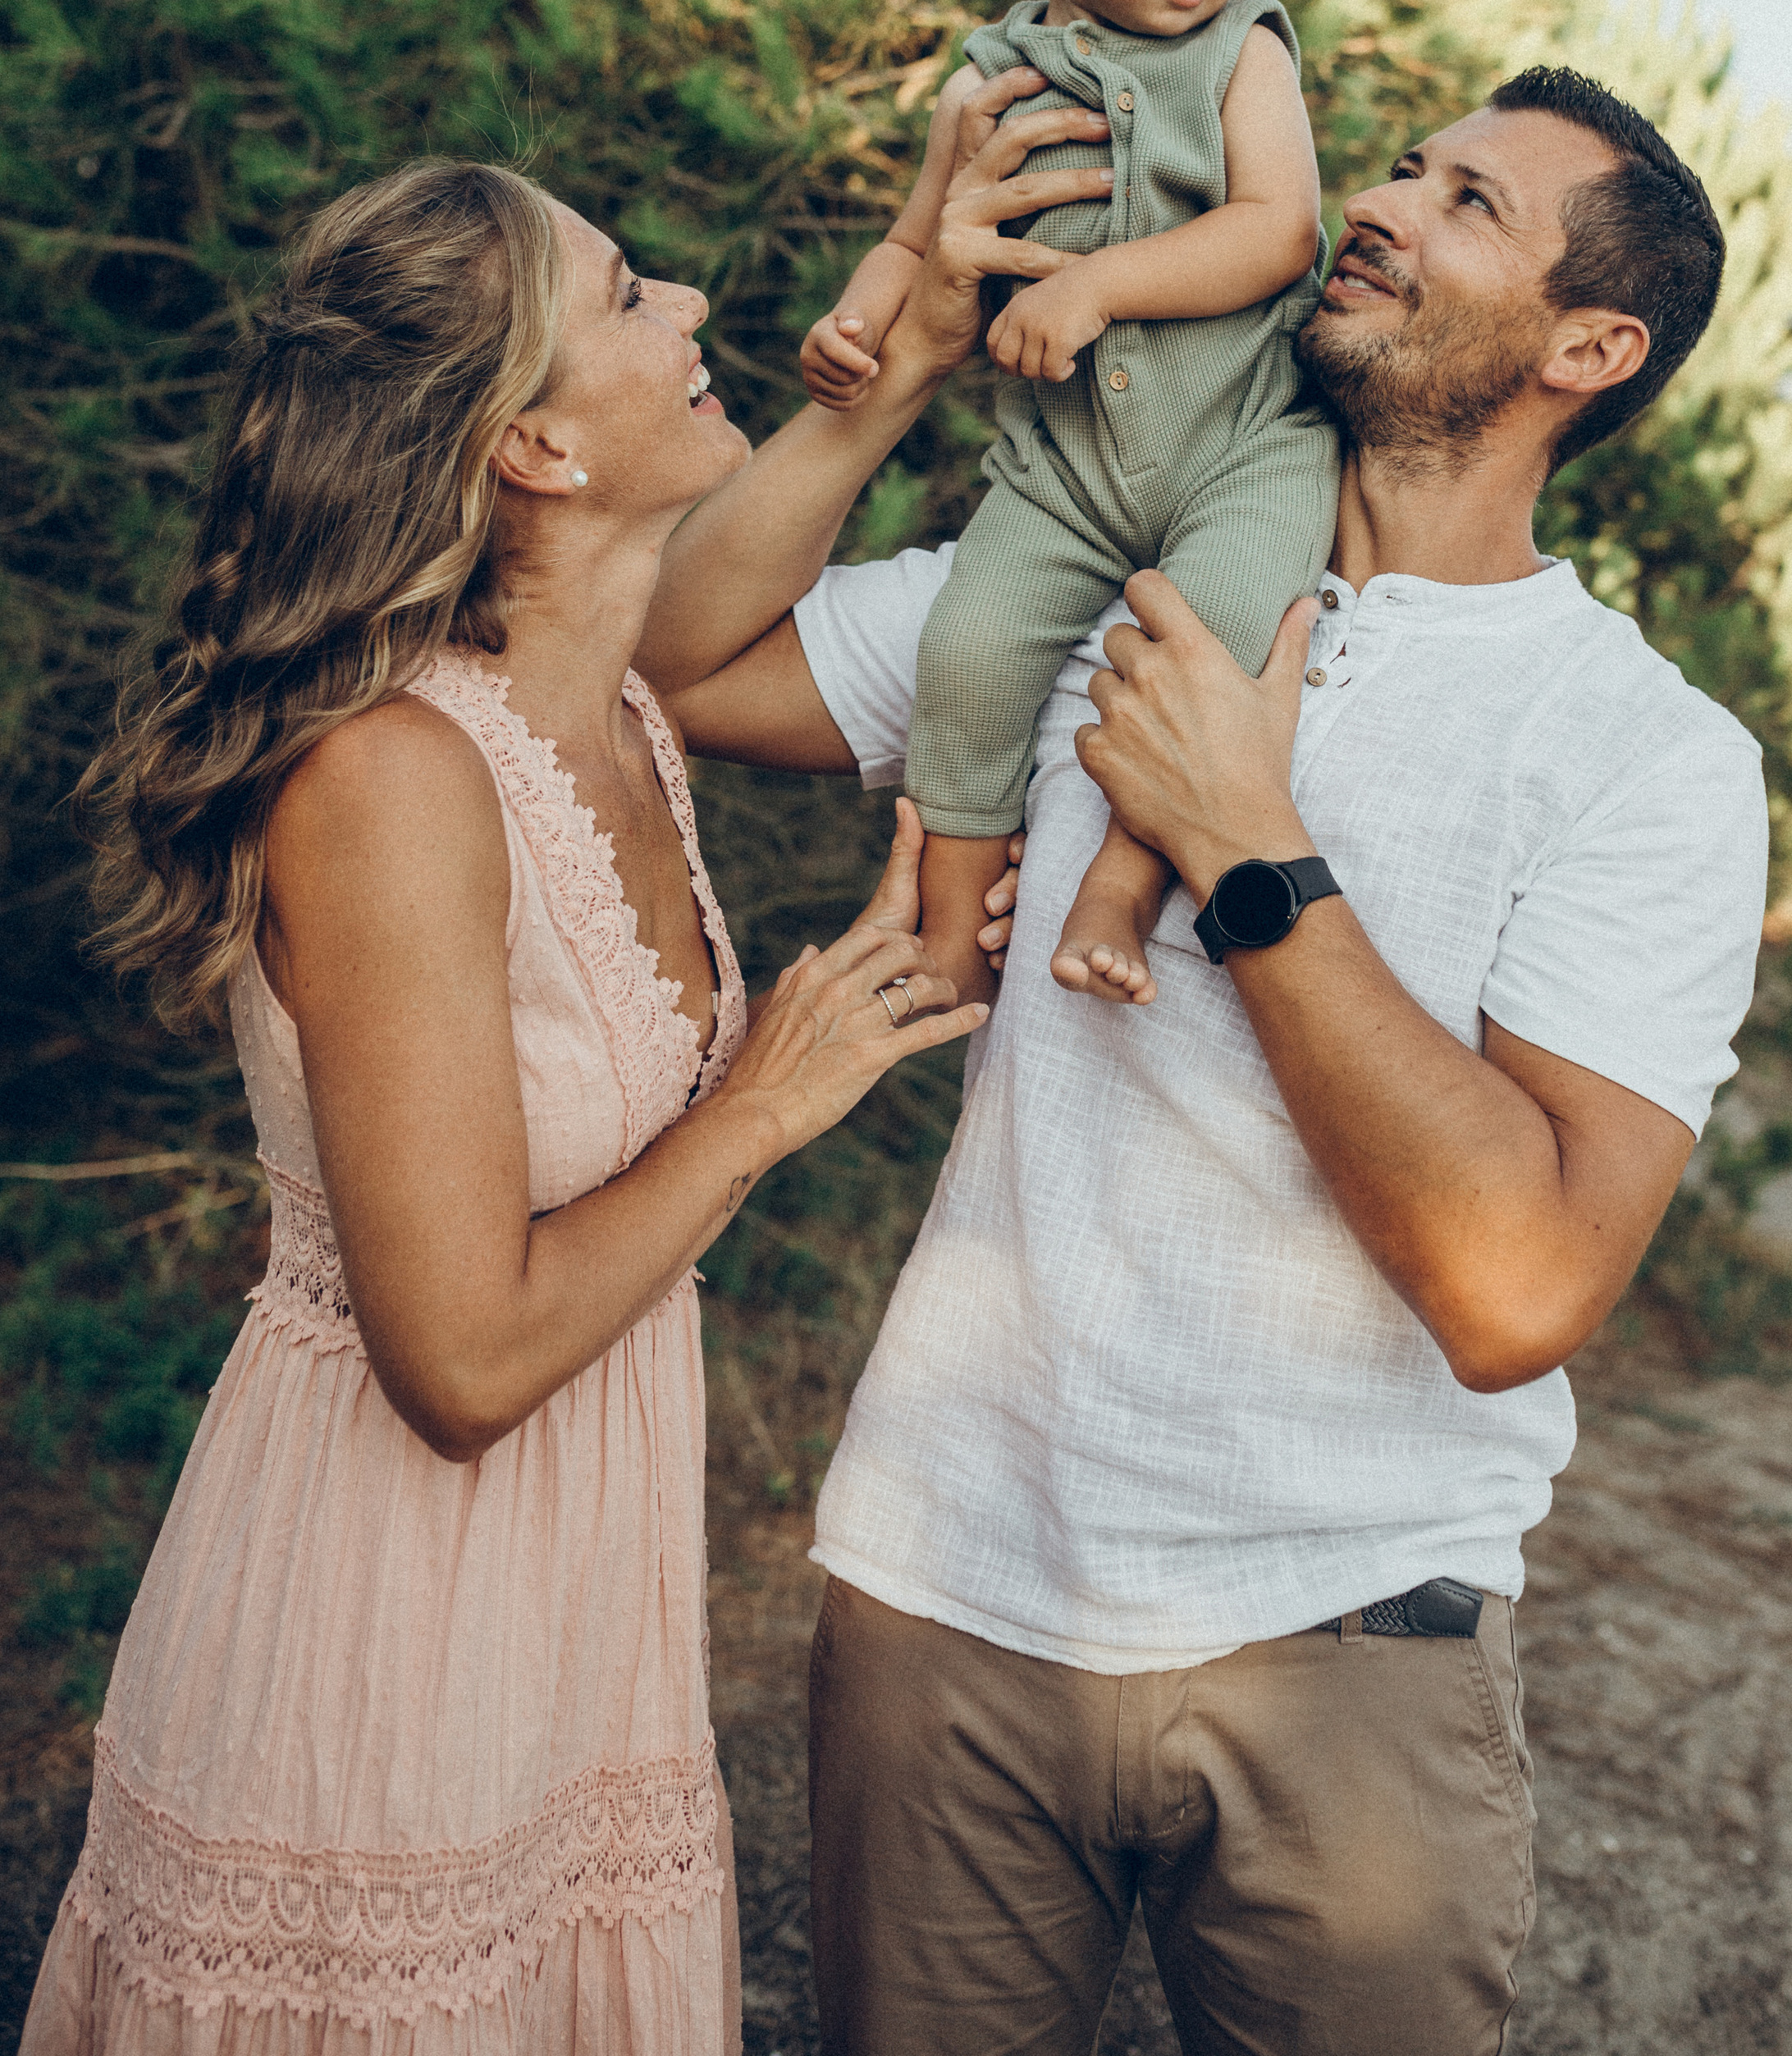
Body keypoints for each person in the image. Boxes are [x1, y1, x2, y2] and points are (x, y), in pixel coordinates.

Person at [676, 66, 1771, 2056]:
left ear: (1587, 347)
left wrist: (1252, 850)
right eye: (1401, 165)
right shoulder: (1097, 574)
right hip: (946, 1587)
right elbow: (675, 663)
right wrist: (890, 362)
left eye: (1466, 204)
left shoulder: (1643, 758)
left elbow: (1518, 1286)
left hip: (1345, 1642)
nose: (1377, 202)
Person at [24, 107, 1095, 2056]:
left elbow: (702, 641)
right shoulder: (390, 783)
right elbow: (460, 1359)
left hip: (569, 1618)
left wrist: (917, 343)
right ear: (530, 443)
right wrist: (766, 1101)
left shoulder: (612, 718)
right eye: (621, 290)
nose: (686, 296)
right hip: (377, 1611)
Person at [799, 0, 1338, 1012]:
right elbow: (916, 239)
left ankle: (1121, 881)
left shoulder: (1241, 55)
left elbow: (1280, 233)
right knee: (968, 657)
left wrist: (1098, 282)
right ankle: (943, 931)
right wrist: (861, 320)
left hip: (1240, 449)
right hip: (1061, 476)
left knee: (1212, 636)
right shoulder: (989, 81)